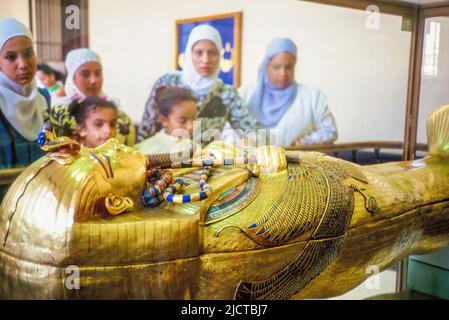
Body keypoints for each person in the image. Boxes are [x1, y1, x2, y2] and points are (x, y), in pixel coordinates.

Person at [137, 24, 256, 147]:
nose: (206, 60)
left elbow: (248, 131)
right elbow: (146, 131)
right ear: (189, 54)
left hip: (207, 162)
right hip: (164, 158)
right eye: (199, 53)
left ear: (219, 56)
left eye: (212, 53)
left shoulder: (227, 93)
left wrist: (247, 146)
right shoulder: (168, 82)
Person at [239, 38, 338, 147]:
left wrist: (305, 142)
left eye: (289, 67)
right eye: (276, 67)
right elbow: (227, 130)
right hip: (252, 162)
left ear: (295, 65)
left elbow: (330, 131)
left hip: (298, 162)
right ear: (266, 66)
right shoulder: (244, 95)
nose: (283, 73)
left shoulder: (312, 97)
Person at [0, 18, 51, 199]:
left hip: (39, 203)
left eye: (28, 53)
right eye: (10, 57)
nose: (23, 64)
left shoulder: (43, 98)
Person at [50, 48, 135, 146]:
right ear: (73, 78)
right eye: (85, 75)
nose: (94, 80)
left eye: (98, 73)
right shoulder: (59, 114)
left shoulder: (118, 114)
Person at [134, 86, 199, 155]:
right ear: (164, 120)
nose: (190, 126)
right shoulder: (145, 151)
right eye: (183, 121)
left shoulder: (195, 148)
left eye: (194, 119)